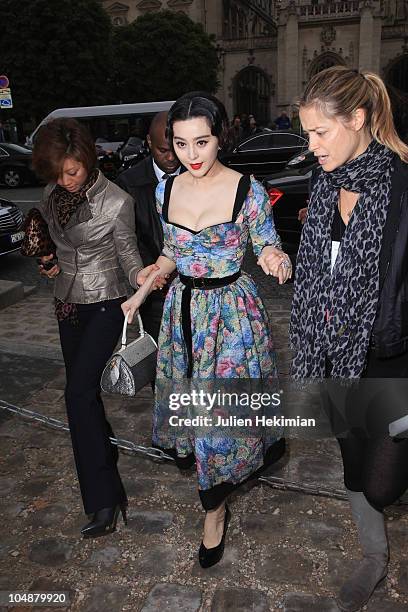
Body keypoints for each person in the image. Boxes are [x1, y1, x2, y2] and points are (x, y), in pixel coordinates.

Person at [121, 92, 291, 569]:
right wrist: (141, 291)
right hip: (182, 315)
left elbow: (266, 244)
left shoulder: (246, 190)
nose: (191, 156)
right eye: (180, 144)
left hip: (232, 319)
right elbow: (172, 255)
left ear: (220, 138)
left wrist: (276, 258)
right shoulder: (165, 190)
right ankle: (213, 496)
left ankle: (212, 512)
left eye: (202, 142)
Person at [290, 66, 408, 611]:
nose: (311, 146)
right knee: (356, 471)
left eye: (321, 132)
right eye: (307, 133)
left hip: (392, 356)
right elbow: (326, 272)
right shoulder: (323, 184)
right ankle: (373, 556)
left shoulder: (403, 185)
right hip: (334, 355)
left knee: (383, 483)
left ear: (358, 119)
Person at [31, 118, 163, 539]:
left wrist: (143, 276)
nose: (65, 181)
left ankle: (104, 499)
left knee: (77, 394)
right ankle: (102, 456)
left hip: (107, 300)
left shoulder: (117, 201)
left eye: (72, 171)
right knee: (82, 396)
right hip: (67, 303)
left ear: (88, 159)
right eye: (57, 173)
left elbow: (127, 252)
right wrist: (48, 260)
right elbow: (58, 243)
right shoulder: (52, 194)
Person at [116, 111, 181, 342]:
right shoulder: (128, 182)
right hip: (154, 291)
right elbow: (127, 240)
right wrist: (145, 273)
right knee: (160, 360)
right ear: (149, 142)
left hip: (193, 289)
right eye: (163, 150)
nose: (172, 157)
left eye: (176, 147)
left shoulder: (197, 175)